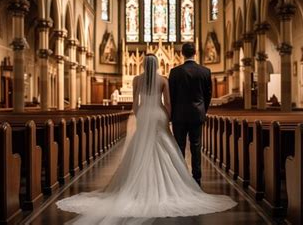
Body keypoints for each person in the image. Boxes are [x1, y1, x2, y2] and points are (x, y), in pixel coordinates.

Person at [56, 54, 236, 222]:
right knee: (165, 146)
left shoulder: (137, 80)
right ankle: (177, 185)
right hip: (158, 114)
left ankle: (134, 187)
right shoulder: (163, 80)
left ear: (142, 64)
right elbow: (167, 104)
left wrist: (140, 116)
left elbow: (135, 103)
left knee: (141, 147)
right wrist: (167, 118)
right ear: (157, 65)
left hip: (144, 114)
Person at [169, 43, 212, 186]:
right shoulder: (205, 71)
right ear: (196, 52)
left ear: (182, 54)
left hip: (179, 115)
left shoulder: (175, 72)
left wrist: (172, 114)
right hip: (197, 114)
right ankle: (197, 179)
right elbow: (208, 95)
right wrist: (202, 111)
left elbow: (171, 96)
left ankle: (180, 178)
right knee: (196, 146)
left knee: (179, 147)